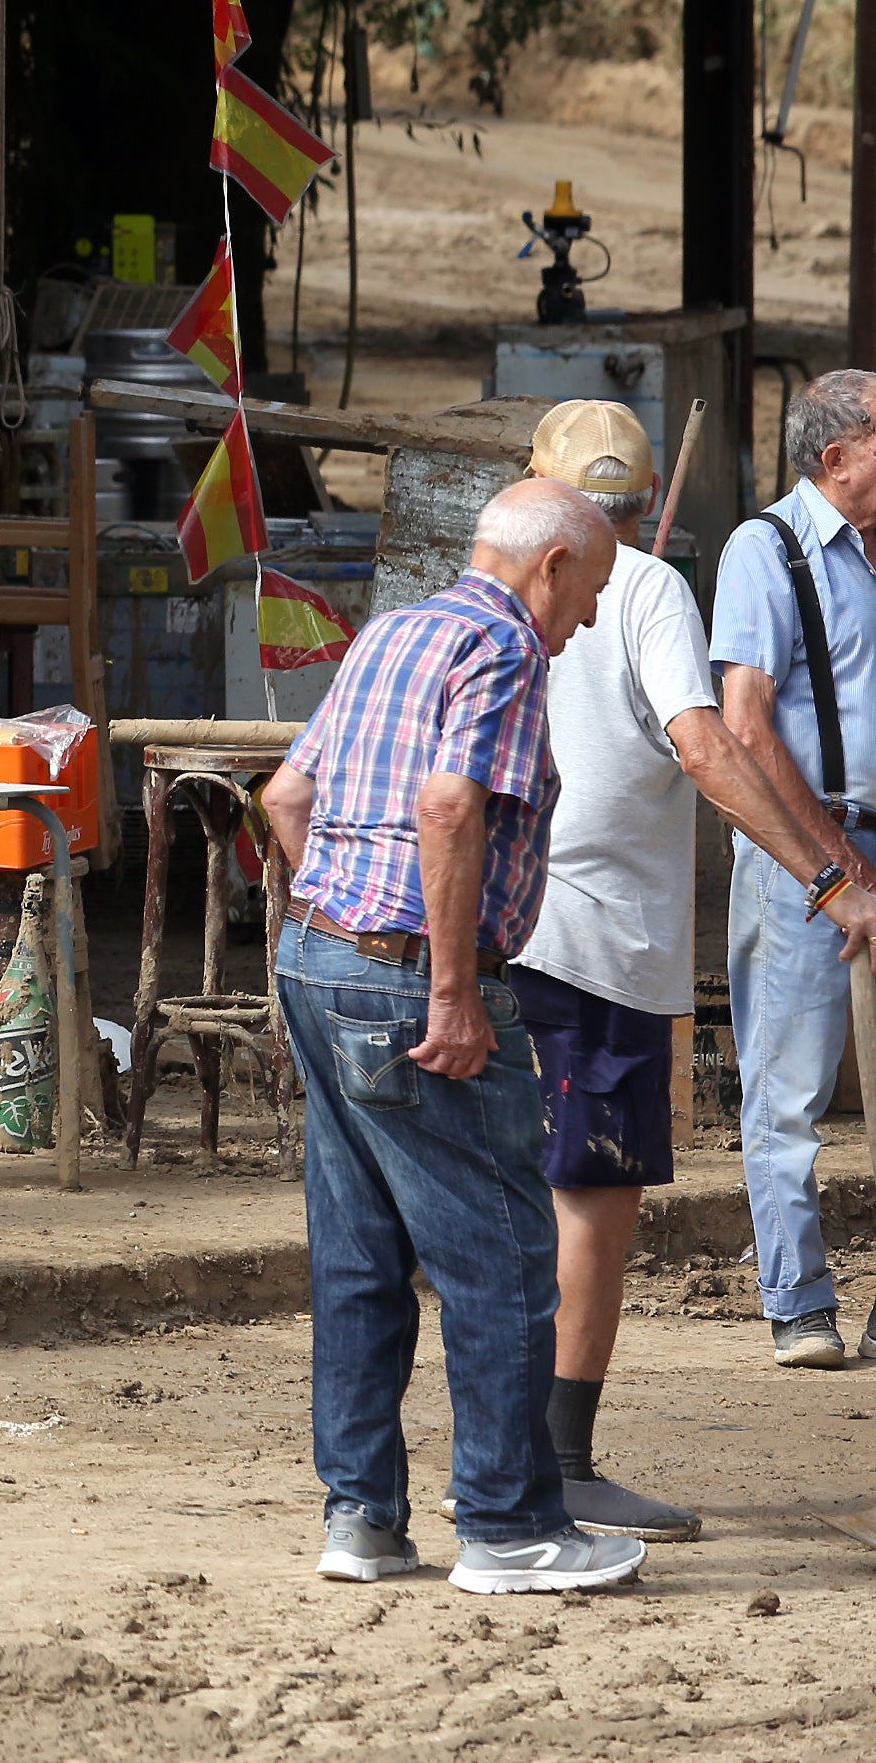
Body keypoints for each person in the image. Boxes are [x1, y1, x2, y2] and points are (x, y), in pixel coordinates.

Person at [255, 479, 645, 1596]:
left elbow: (287, 796)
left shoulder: (394, 629)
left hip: (315, 958)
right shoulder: (506, 647)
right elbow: (444, 805)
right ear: (554, 566)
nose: (577, 627)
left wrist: (330, 930)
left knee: (359, 1253)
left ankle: (362, 1519)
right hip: (406, 976)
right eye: (587, 597)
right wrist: (446, 988)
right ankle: (510, 1524)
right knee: (507, 1255)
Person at [518, 402, 876, 1537]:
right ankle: (550, 1465)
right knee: (596, 1204)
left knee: (532, 1206)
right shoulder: (666, 582)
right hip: (606, 939)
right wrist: (826, 873)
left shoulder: (477, 590)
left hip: (523, 932)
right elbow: (716, 738)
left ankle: (419, 1487)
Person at [710, 367, 876, 1368]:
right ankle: (801, 1301)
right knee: (786, 1083)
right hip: (800, 851)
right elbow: (744, 722)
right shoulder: (765, 548)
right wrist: (831, 859)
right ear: (837, 456)